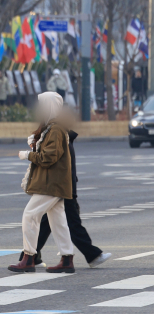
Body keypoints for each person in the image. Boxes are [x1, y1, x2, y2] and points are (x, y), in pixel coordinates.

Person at [18, 107, 111, 269]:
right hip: (58, 187)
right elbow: (50, 160)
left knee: (52, 221)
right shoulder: (57, 133)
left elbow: (55, 161)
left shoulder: (59, 133)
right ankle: (86, 256)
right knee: (58, 221)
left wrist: (31, 150)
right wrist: (30, 151)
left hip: (58, 186)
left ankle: (35, 257)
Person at [9, 92, 75, 273]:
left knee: (30, 215)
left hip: (51, 183)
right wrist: (34, 145)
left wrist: (27, 155)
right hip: (55, 182)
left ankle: (29, 257)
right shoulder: (54, 127)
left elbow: (48, 157)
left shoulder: (55, 129)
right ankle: (67, 259)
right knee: (58, 221)